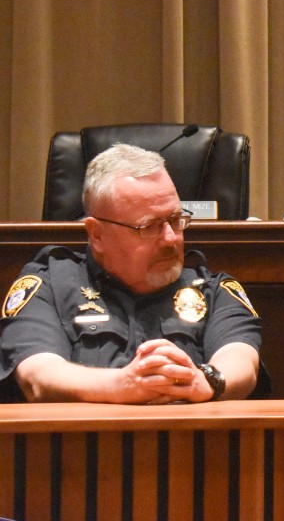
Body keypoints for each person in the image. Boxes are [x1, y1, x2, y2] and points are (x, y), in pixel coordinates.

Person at [0, 143, 263, 404]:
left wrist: (206, 381)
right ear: (97, 234)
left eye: (175, 220)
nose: (171, 239)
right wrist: (123, 385)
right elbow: (37, 375)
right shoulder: (50, 286)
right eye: (149, 227)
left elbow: (242, 359)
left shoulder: (212, 290)